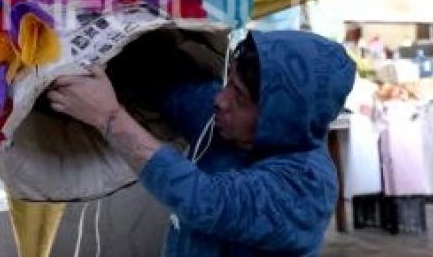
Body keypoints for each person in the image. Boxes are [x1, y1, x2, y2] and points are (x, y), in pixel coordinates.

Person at [47, 29, 355, 256]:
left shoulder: (307, 185)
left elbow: (208, 201)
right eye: (228, 84)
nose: (220, 100)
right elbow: (168, 86)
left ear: (281, 118)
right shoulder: (222, 123)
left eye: (240, 97)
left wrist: (110, 118)